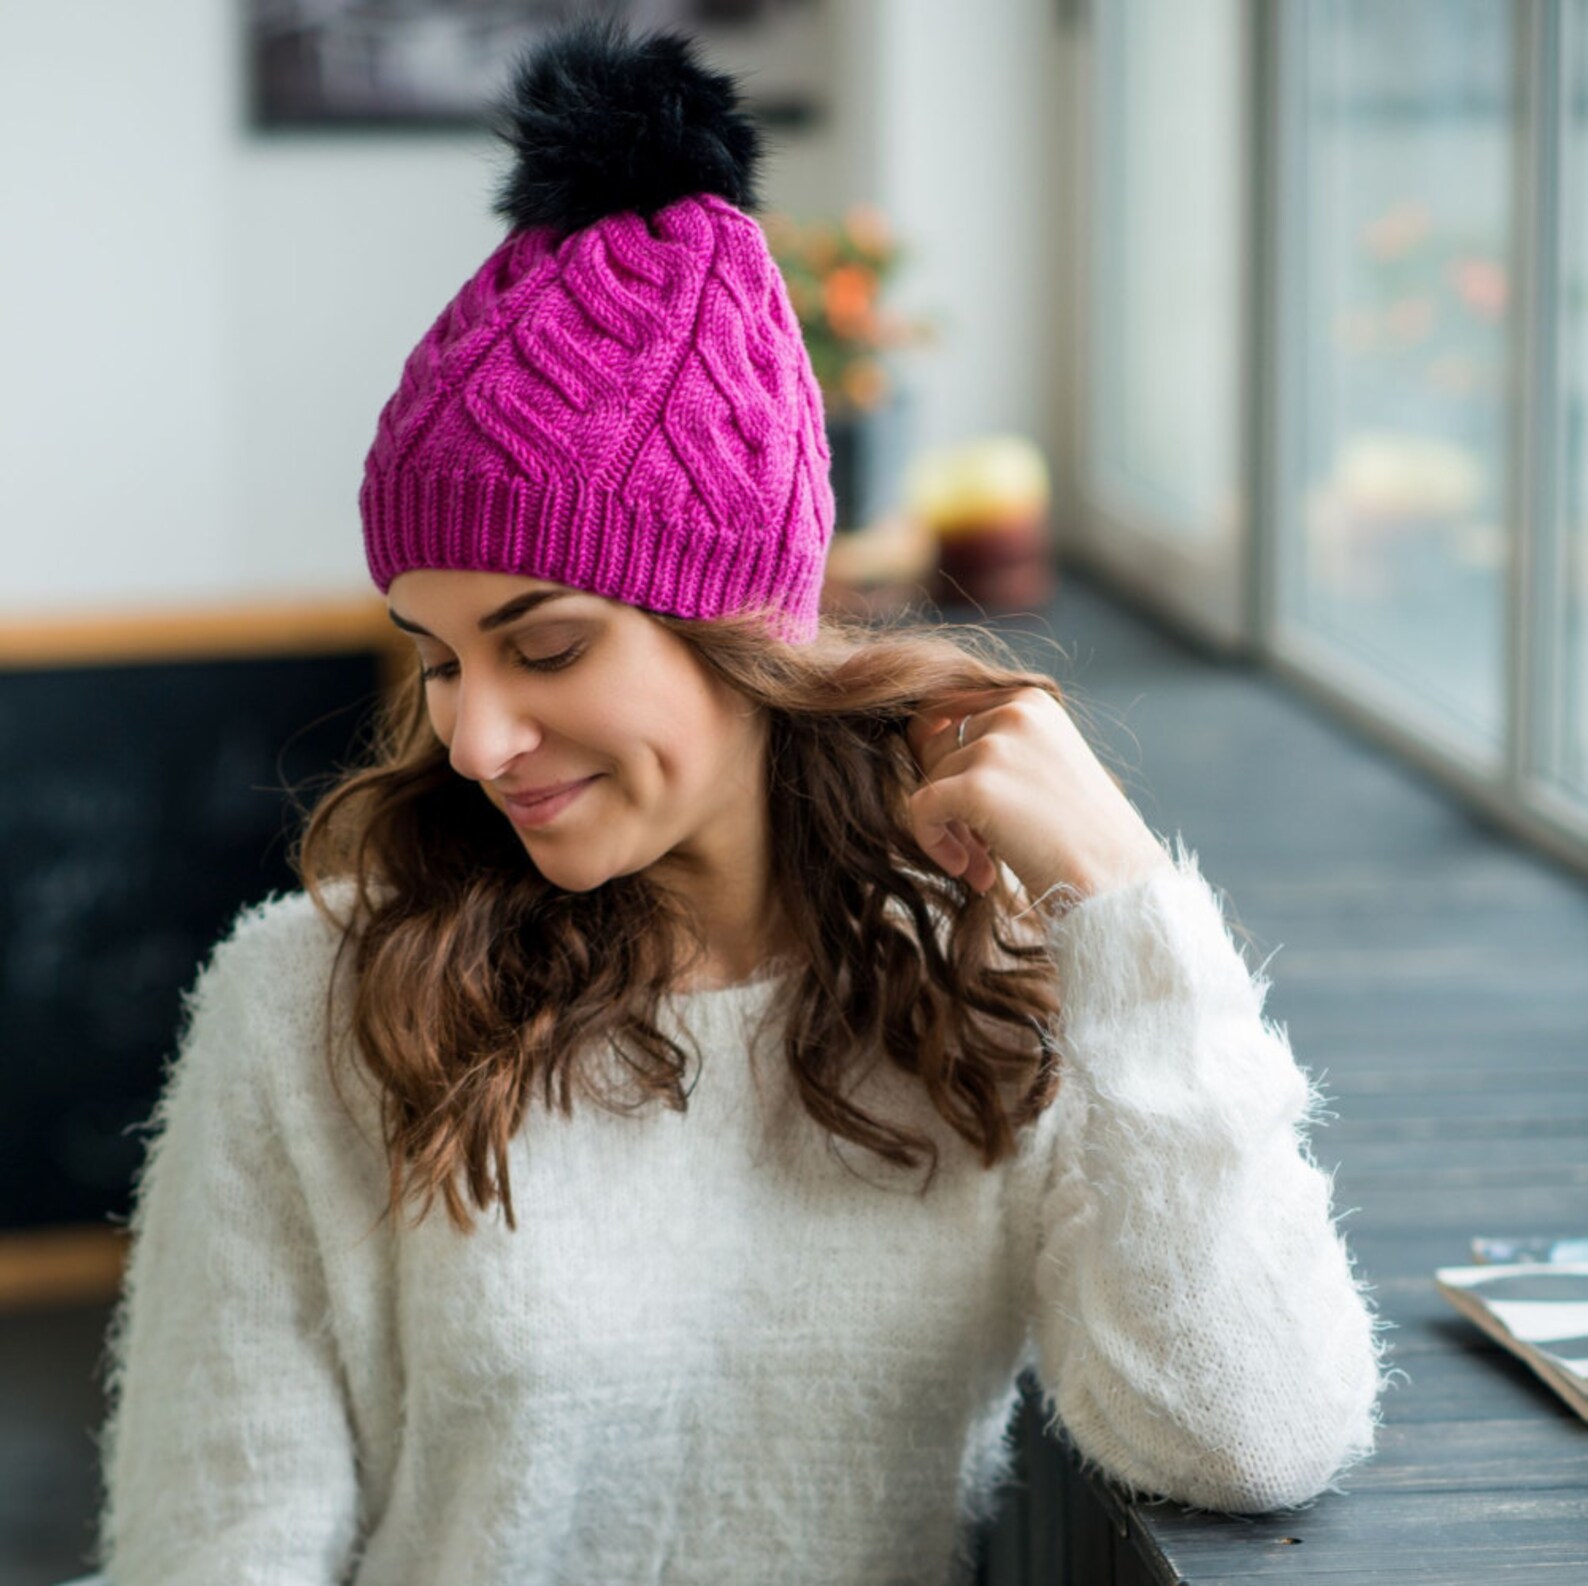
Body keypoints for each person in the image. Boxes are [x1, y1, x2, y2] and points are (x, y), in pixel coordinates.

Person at [86, 16, 1392, 1586]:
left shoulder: (982, 975)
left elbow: (1250, 1431)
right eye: (434, 660)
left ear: (750, 626)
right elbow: (211, 1553)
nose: (476, 736)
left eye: (548, 644)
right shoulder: (305, 1005)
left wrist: (1126, 906)